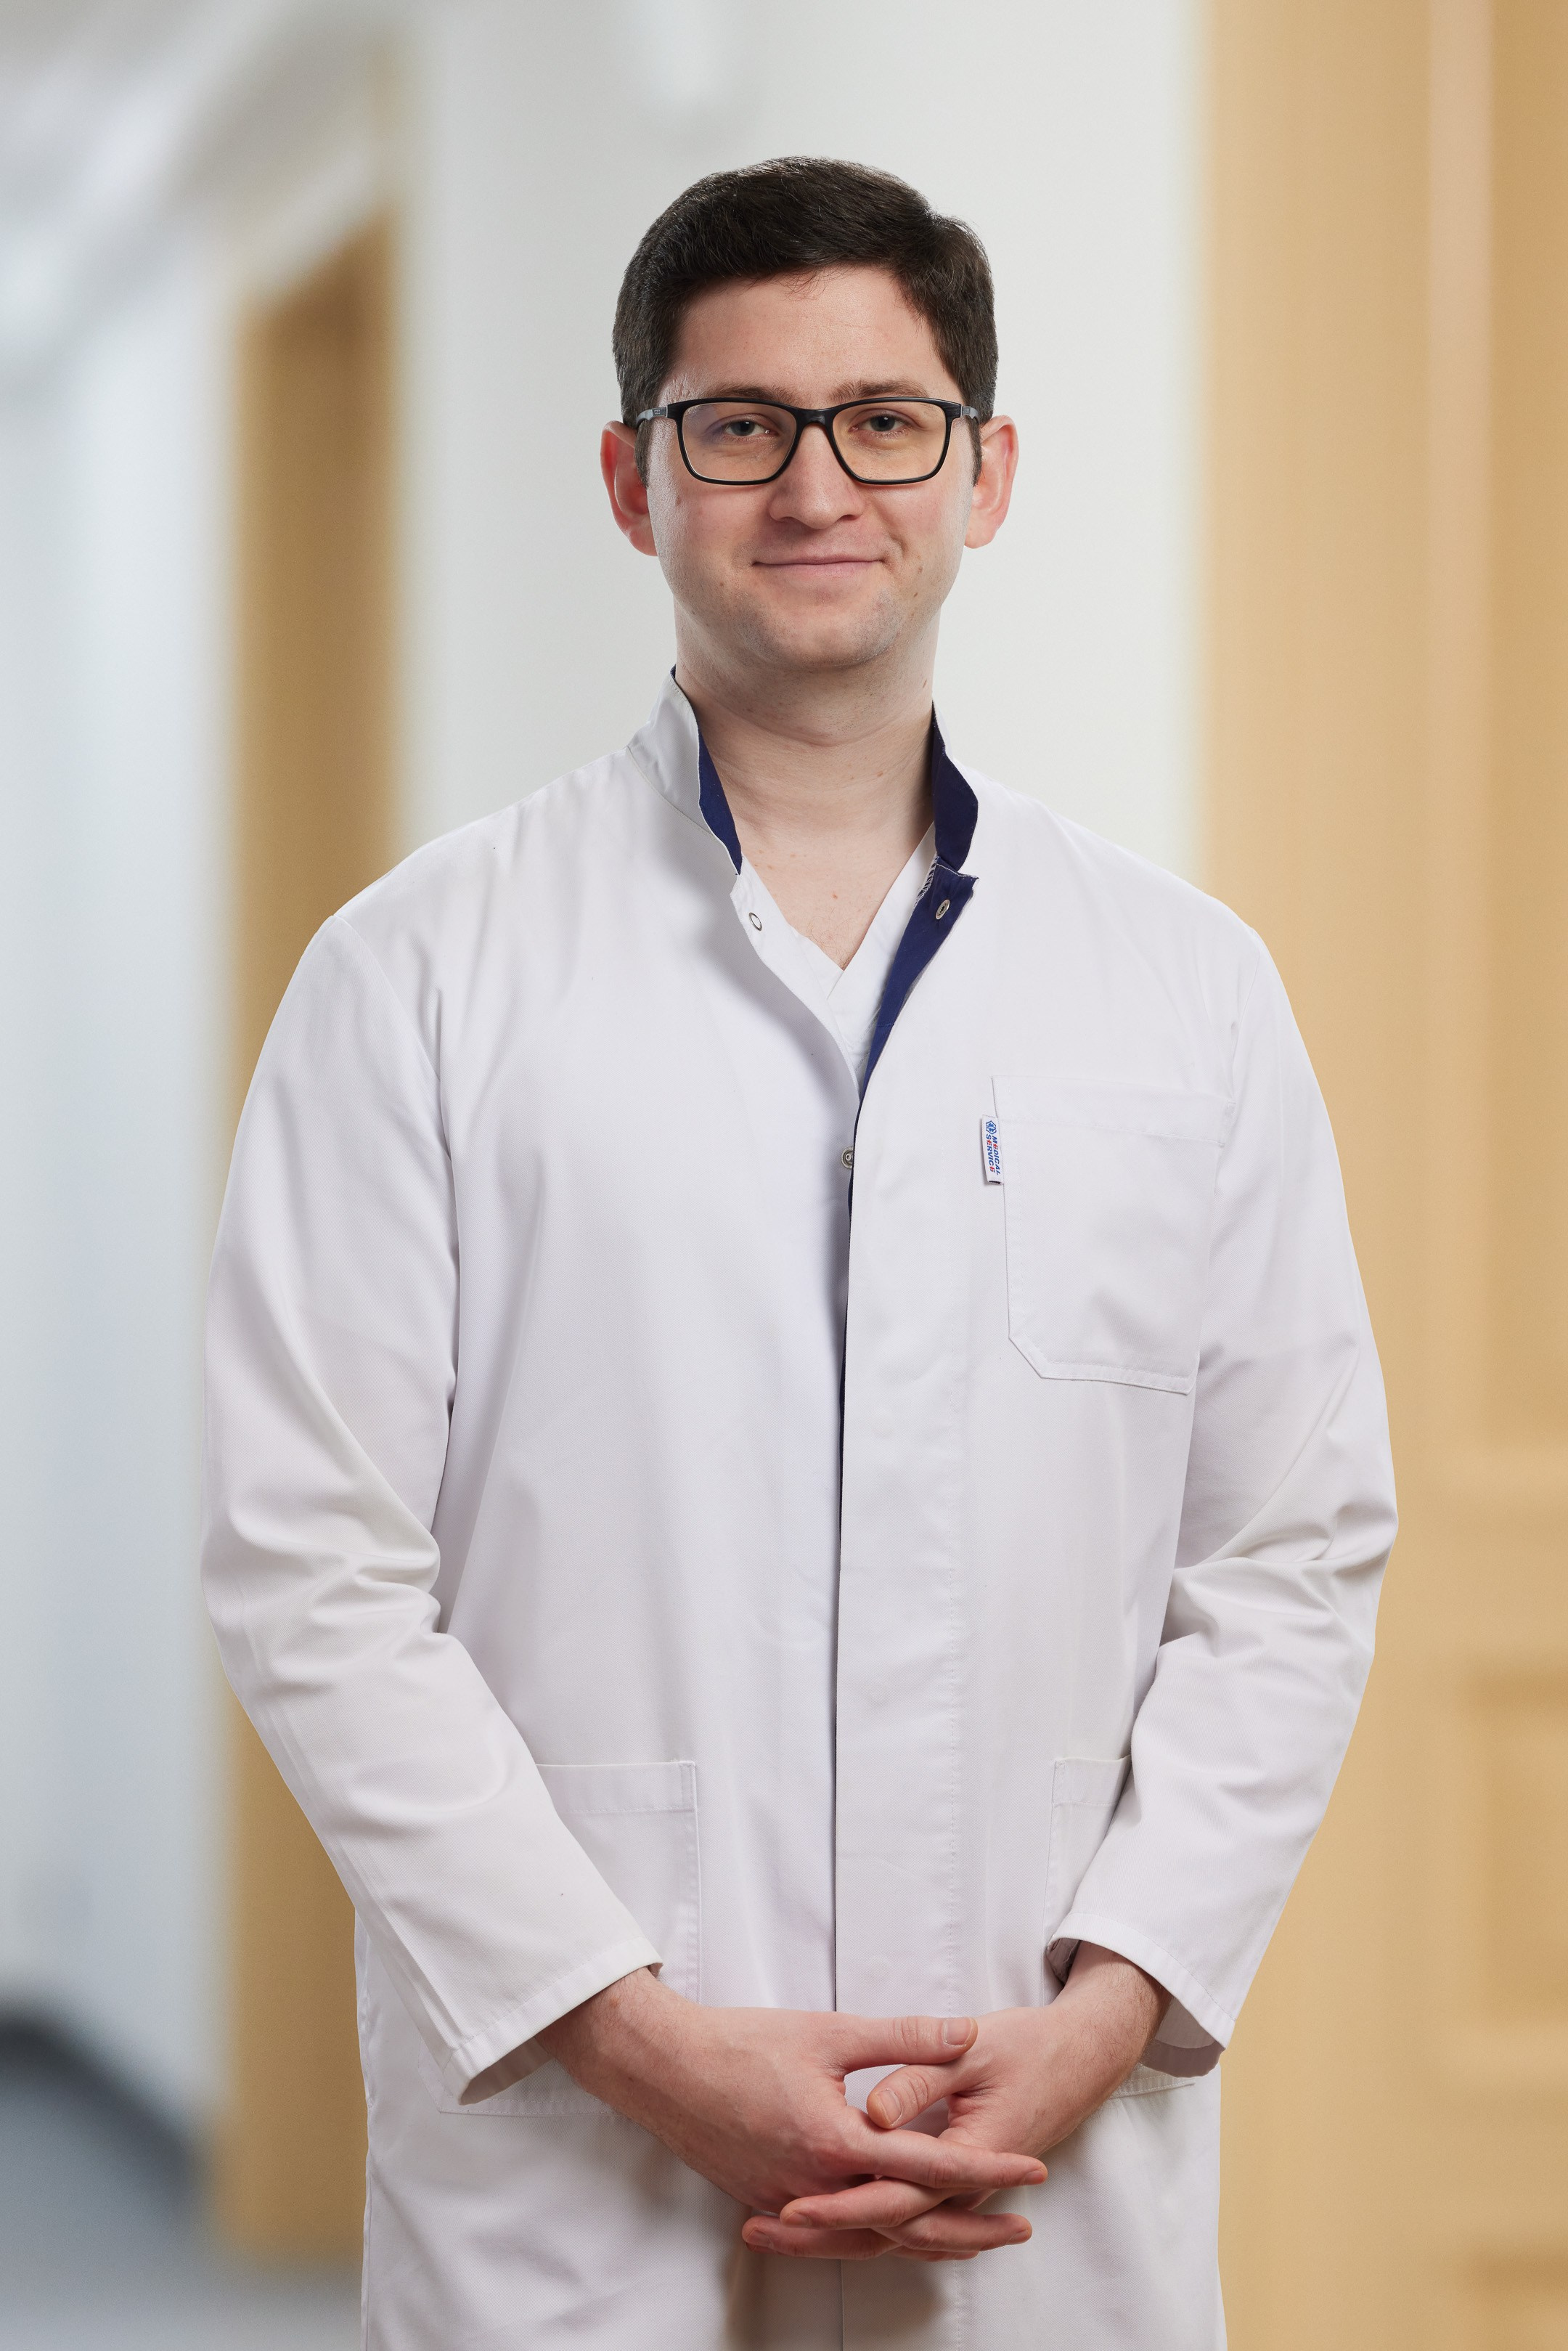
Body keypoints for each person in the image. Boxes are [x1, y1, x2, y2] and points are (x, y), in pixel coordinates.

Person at [202, 158, 1396, 2350]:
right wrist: (633, 2037)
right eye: (737, 424)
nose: (815, 481)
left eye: (885, 419)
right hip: (581, 2164)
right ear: (631, 479)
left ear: (988, 471)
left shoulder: (1185, 994)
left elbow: (1294, 1556)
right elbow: (310, 1568)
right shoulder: (421, 979)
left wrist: (1113, 2007)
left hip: (1031, 2143)